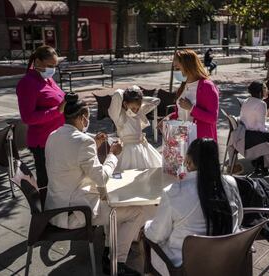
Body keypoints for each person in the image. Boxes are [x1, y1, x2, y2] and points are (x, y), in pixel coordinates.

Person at [45, 93, 143, 276]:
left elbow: (70, 163)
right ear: (82, 118)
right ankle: (116, 262)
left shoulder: (53, 135)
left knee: (110, 200)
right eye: (87, 118)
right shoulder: (83, 142)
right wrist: (113, 154)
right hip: (74, 213)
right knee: (136, 211)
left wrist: (94, 144)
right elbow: (101, 178)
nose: (87, 121)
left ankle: (110, 248)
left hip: (55, 207)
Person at [144, 138, 243, 276]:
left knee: (147, 233)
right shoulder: (230, 183)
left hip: (184, 267)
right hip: (224, 262)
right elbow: (239, 219)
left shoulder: (173, 192)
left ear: (188, 162)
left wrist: (146, 227)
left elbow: (156, 236)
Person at [16, 45, 65, 188]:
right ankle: (48, 208)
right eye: (50, 65)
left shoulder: (48, 80)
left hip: (57, 139)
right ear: (37, 62)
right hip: (43, 142)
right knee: (48, 182)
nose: (53, 69)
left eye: (55, 66)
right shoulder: (27, 83)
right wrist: (58, 110)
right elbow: (28, 117)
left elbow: (56, 100)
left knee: (60, 180)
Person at [160, 49, 219, 141]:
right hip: (182, 139)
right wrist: (168, 119)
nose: (175, 71)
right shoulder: (183, 86)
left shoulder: (207, 86)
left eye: (178, 68)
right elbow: (181, 113)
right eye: (174, 68)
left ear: (189, 66)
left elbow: (212, 118)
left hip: (200, 141)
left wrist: (191, 108)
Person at [108, 86, 162, 170]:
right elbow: (117, 94)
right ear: (125, 104)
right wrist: (129, 95)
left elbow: (156, 101)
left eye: (138, 108)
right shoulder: (119, 115)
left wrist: (139, 98)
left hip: (142, 147)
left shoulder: (139, 113)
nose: (135, 110)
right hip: (126, 149)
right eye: (133, 108)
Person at [239, 81, 269, 175]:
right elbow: (261, 127)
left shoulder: (246, 101)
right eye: (265, 88)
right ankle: (261, 165)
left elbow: (254, 122)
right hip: (254, 137)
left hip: (244, 135)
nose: (267, 90)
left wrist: (268, 126)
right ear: (260, 91)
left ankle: (259, 165)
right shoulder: (261, 104)